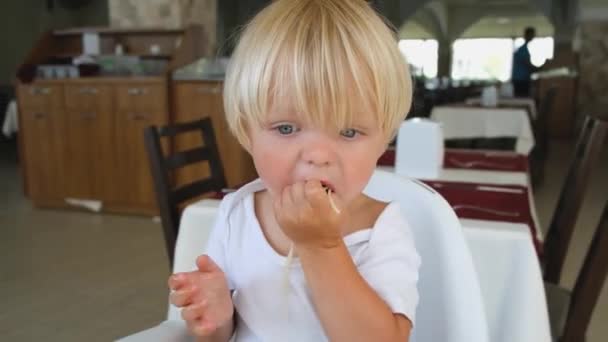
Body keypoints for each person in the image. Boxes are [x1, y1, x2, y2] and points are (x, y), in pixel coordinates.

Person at [168, 1, 420, 341]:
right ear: (247, 132)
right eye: (286, 128)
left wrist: (322, 247)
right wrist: (217, 318)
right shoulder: (236, 216)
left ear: (383, 141)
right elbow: (222, 336)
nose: (317, 156)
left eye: (349, 132)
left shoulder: (380, 231)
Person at [511, 26, 543, 97]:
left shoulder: (524, 49)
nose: (533, 37)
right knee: (521, 98)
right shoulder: (523, 50)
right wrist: (540, 68)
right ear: (527, 35)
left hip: (522, 79)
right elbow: (527, 64)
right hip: (520, 80)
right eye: (532, 35)